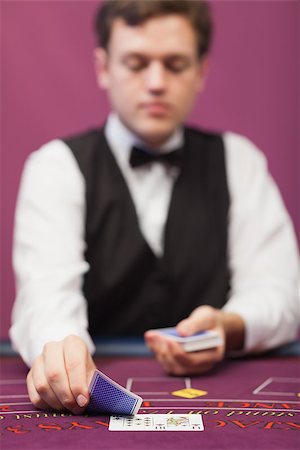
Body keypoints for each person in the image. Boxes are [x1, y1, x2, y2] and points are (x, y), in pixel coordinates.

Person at [9, 0, 299, 415]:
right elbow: (46, 298)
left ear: (201, 71)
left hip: (216, 393)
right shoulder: (55, 166)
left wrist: (228, 327)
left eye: (176, 64)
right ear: (104, 67)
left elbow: (280, 295)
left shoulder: (240, 161)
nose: (157, 82)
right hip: (96, 396)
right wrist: (62, 350)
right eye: (136, 63)